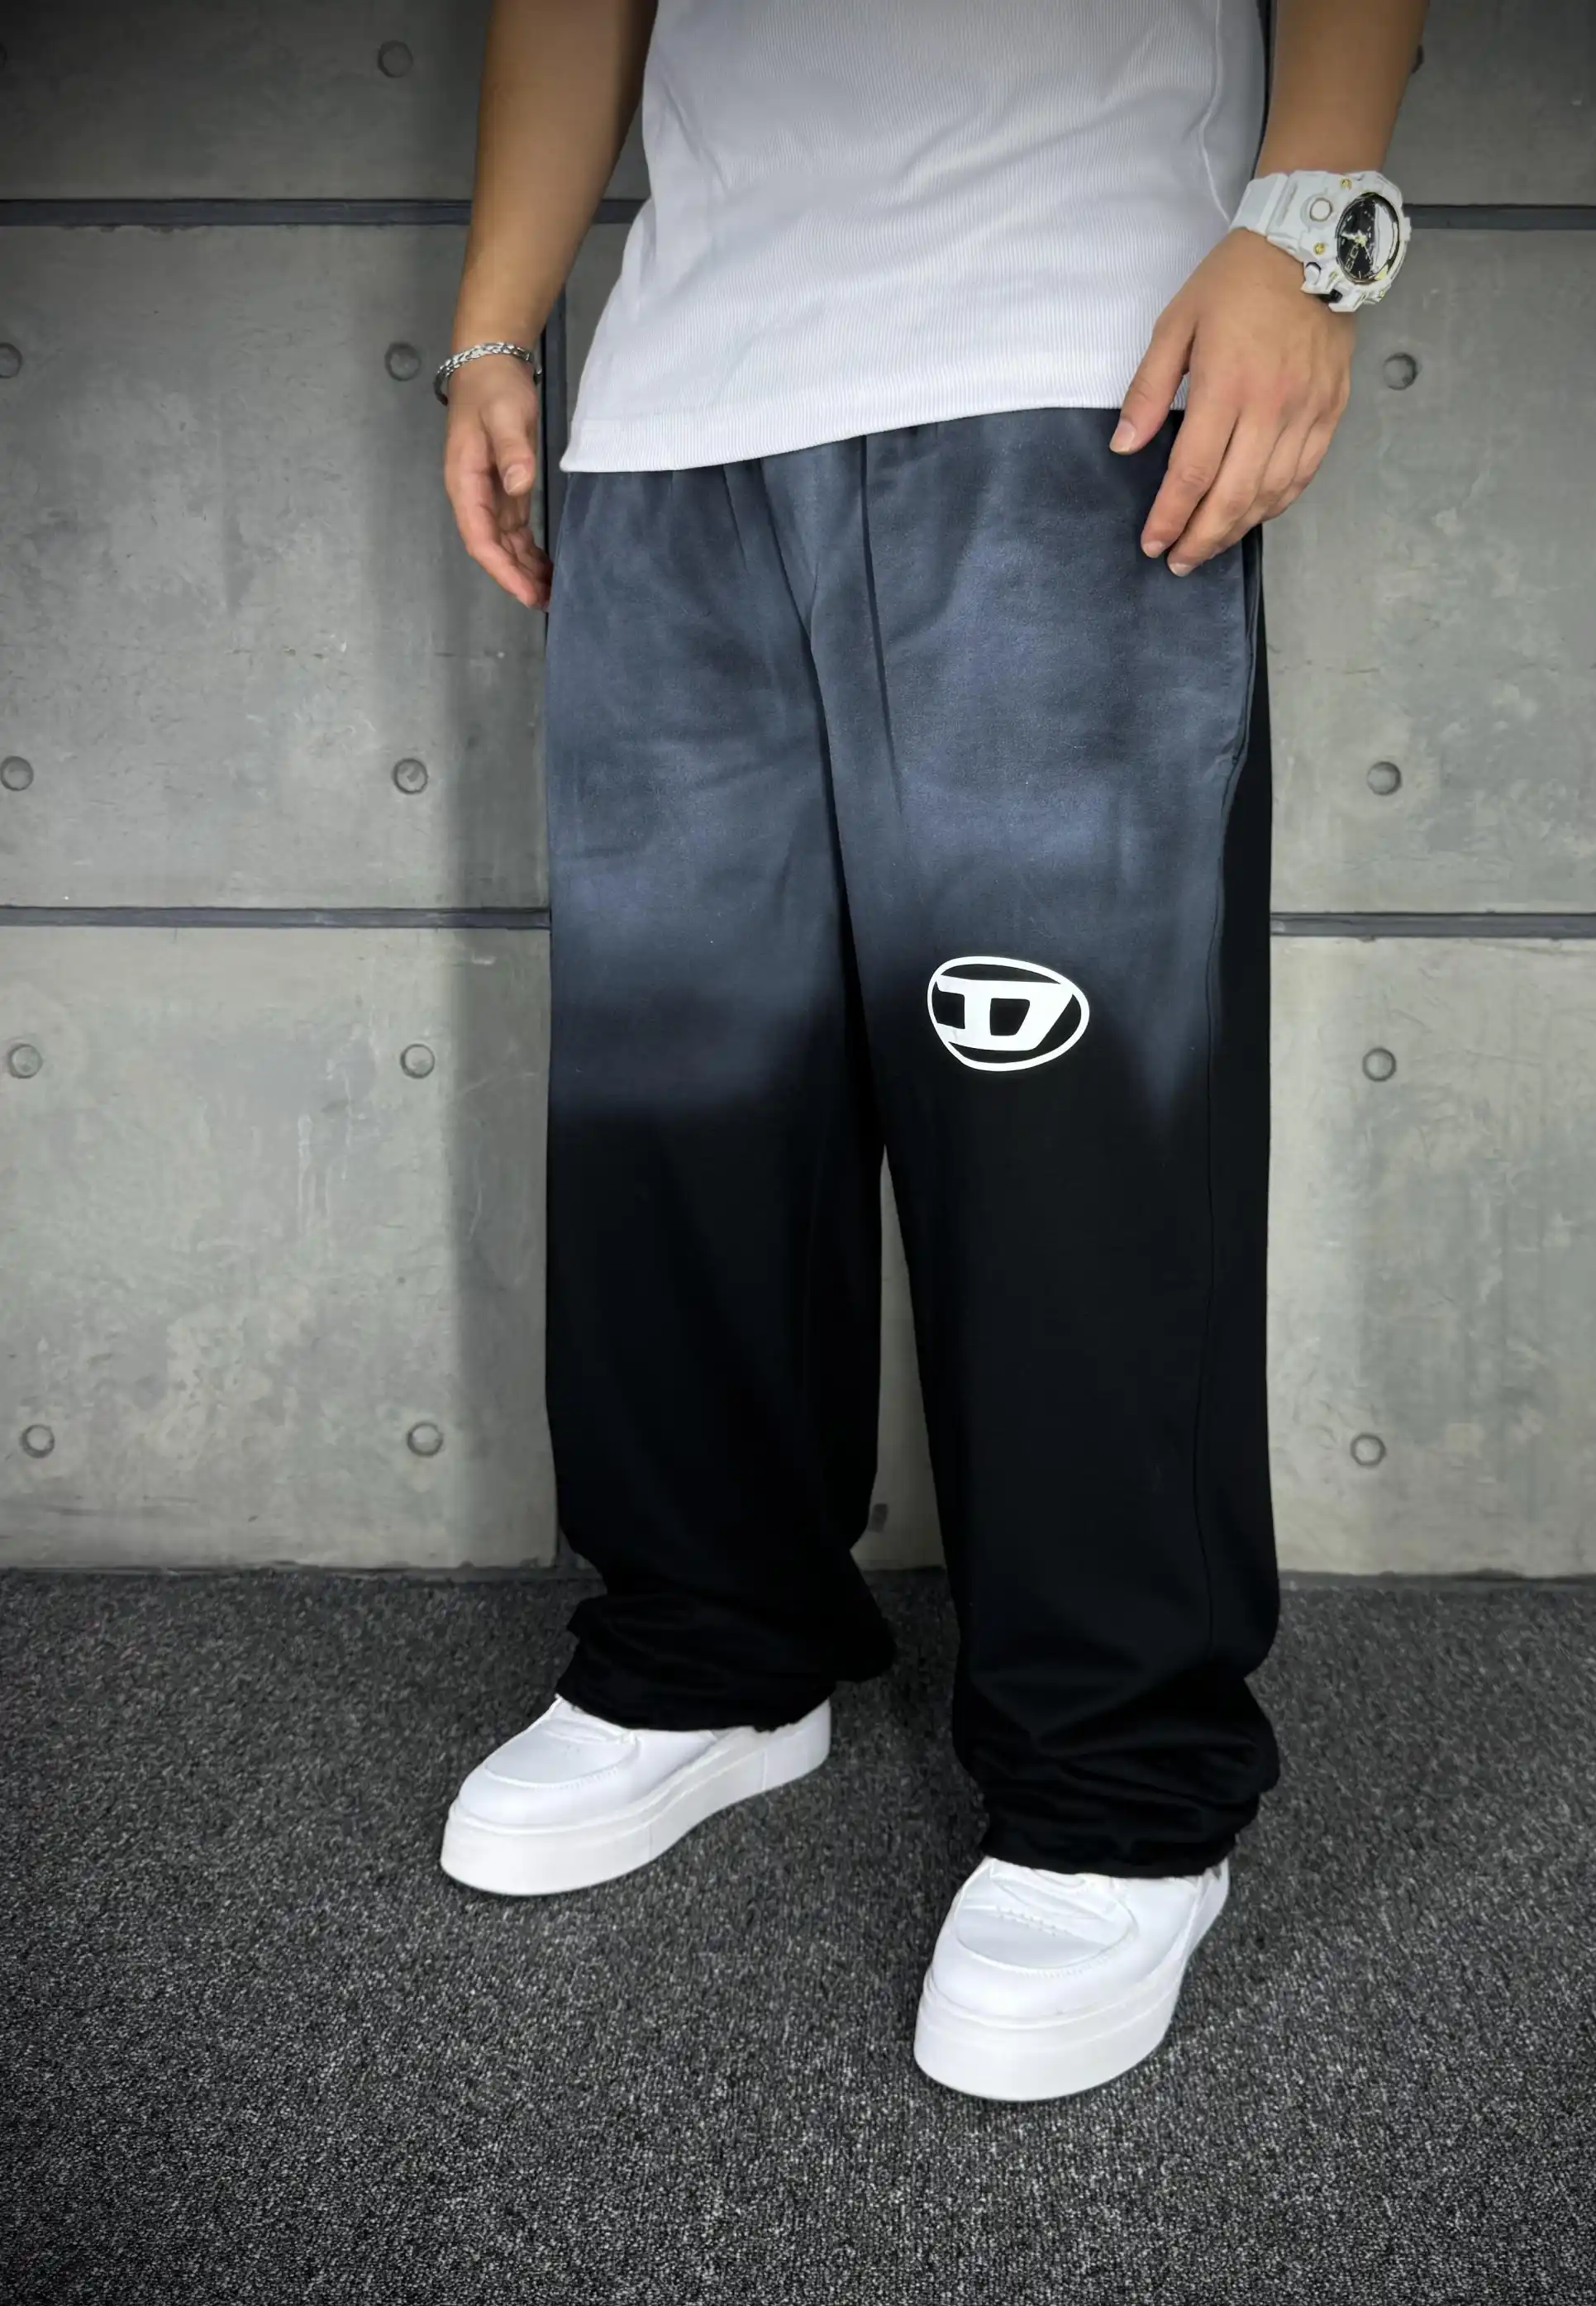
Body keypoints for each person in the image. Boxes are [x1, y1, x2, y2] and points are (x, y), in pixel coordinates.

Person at [436, 0, 1422, 2103]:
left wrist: (1310, 219)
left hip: (1072, 360)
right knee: (680, 1114)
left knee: (1062, 1136)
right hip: (678, 404)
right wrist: (497, 324)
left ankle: (1117, 1792)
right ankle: (710, 1658)